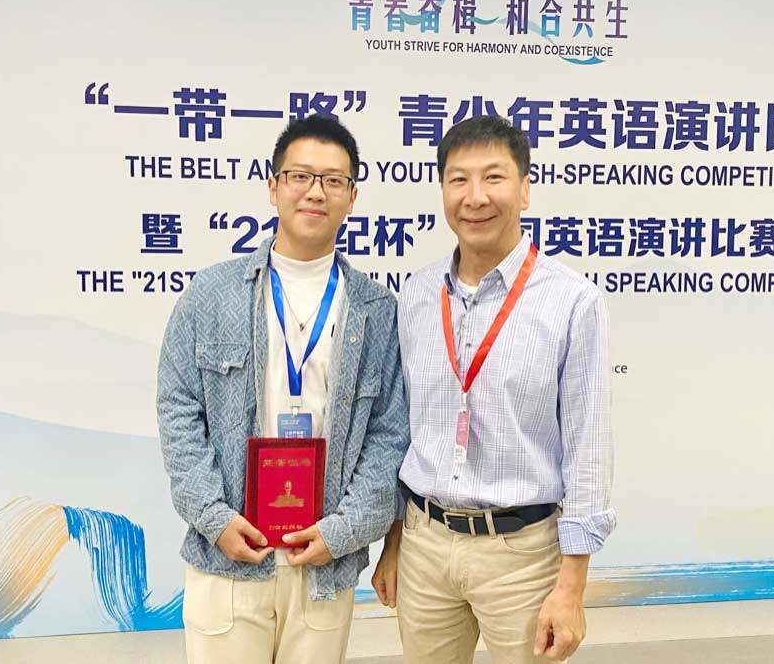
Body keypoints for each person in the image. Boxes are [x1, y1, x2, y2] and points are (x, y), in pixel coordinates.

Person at [157, 114, 409, 664]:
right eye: (300, 176)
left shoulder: (376, 310)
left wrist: (342, 531)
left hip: (323, 563)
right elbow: (178, 410)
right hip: (229, 556)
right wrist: (214, 517)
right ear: (273, 187)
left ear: (352, 197)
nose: (315, 191)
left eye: (333, 180)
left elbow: (390, 433)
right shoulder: (211, 293)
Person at [373, 115, 615, 663]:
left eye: (494, 177)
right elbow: (400, 427)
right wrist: (394, 541)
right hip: (424, 544)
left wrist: (572, 587)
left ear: (525, 189)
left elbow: (588, 446)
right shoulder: (417, 294)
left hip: (522, 556)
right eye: (458, 180)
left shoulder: (572, 301)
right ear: (442, 191)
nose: (475, 197)